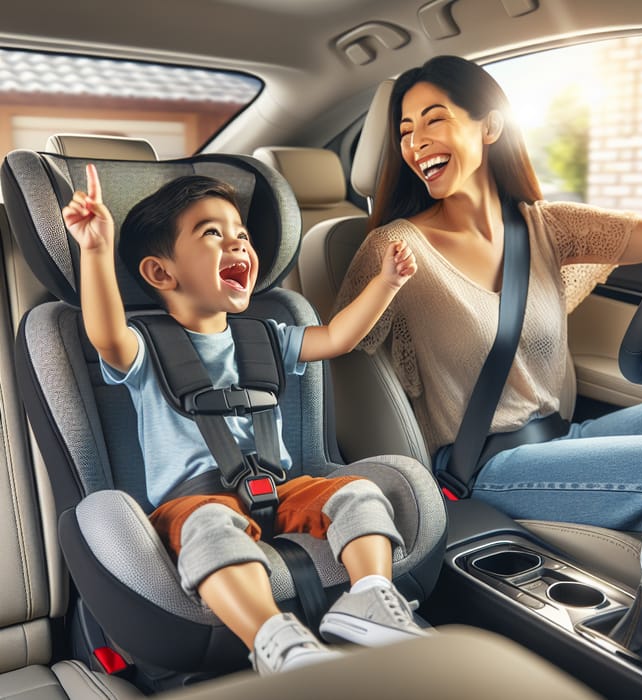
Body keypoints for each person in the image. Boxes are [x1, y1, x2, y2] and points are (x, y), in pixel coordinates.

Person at [62, 164, 425, 676]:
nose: (238, 246)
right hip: (193, 501)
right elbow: (105, 334)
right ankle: (273, 638)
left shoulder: (267, 336)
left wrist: (387, 283)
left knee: (359, 492)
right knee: (211, 526)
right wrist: (96, 250)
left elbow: (339, 337)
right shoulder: (146, 348)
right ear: (161, 273)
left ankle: (370, 595)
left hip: (282, 489)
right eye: (213, 234)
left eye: (243, 235)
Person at [335, 54, 642, 564]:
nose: (415, 142)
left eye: (434, 119)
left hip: (564, 439)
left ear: (490, 127)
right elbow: (340, 368)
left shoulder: (549, 227)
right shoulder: (394, 249)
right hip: (485, 468)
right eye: (404, 130)